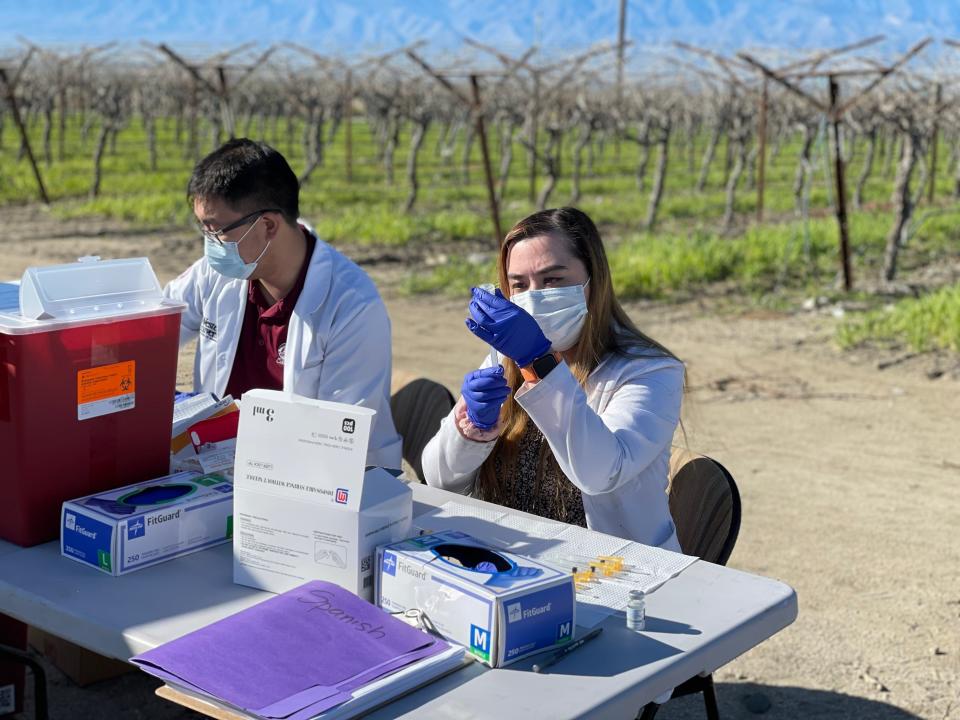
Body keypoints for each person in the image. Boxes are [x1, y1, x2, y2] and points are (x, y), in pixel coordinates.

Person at [421, 207, 685, 550]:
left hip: (608, 570)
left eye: (553, 280)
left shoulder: (650, 371)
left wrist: (539, 363)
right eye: (519, 284)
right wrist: (470, 431)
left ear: (594, 280)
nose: (535, 295)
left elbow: (599, 473)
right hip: (512, 558)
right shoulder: (505, 359)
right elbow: (436, 477)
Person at [164, 138, 402, 469]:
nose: (210, 244)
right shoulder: (216, 274)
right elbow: (156, 326)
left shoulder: (352, 306)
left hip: (323, 479)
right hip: (224, 464)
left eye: (215, 230)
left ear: (268, 226)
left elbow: (338, 441)